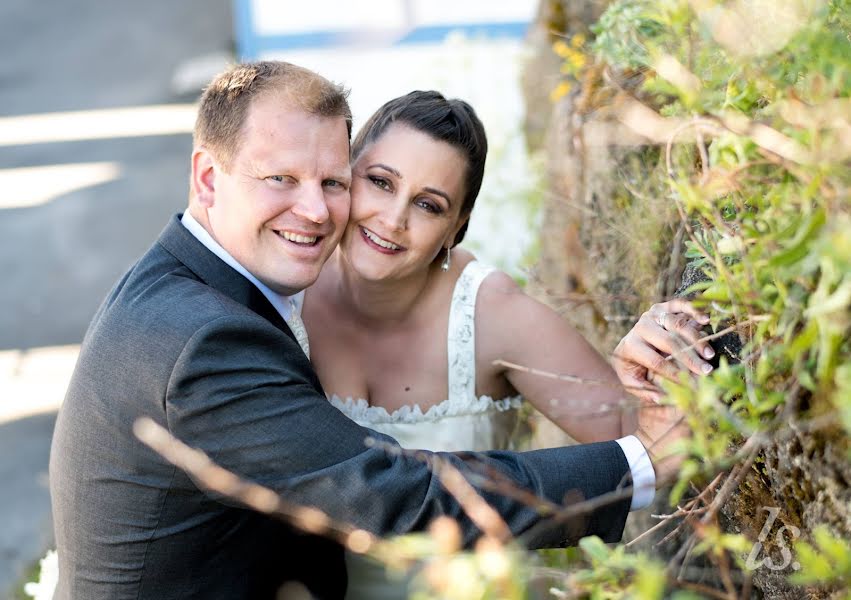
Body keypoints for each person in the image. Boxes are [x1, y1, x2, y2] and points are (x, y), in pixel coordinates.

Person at [49, 61, 689, 600]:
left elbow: (641, 427)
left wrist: (652, 368)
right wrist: (641, 465)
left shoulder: (212, 280)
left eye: (331, 182)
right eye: (282, 178)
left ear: (457, 226)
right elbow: (390, 495)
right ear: (208, 178)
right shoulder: (212, 335)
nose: (316, 208)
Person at [302, 91, 716, 597]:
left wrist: (648, 360)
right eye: (380, 182)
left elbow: (646, 443)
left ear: (456, 228)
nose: (392, 219)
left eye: (428, 205)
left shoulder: (491, 314)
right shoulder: (287, 290)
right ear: (345, 177)